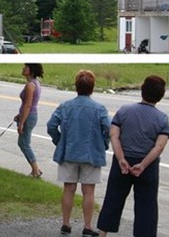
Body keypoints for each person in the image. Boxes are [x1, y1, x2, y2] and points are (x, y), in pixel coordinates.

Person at [97, 75, 169, 237]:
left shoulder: (124, 111)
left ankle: (103, 233)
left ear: (142, 91)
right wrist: (143, 164)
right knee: (146, 205)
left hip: (122, 161)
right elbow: (159, 146)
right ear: (161, 95)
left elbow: (114, 135)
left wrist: (121, 158)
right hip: (147, 166)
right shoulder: (162, 119)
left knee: (113, 199)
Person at [47, 70, 110, 237]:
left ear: (76, 86)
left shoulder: (65, 106)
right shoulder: (99, 108)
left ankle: (66, 223)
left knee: (68, 188)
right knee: (88, 190)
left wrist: (59, 140)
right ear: (92, 87)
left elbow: (51, 125)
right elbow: (109, 129)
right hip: (91, 153)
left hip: (68, 151)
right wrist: (103, 143)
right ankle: (87, 226)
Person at [14, 64, 44, 178]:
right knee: (24, 143)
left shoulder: (30, 85)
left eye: (25, 68)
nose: (23, 69)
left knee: (24, 143)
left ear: (31, 71)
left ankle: (36, 170)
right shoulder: (35, 83)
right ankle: (35, 169)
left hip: (29, 116)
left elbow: (28, 105)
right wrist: (19, 115)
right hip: (29, 115)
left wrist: (21, 123)